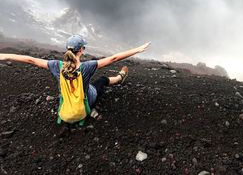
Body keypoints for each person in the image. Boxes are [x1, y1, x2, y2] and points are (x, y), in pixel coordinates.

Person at [0, 35, 150, 124]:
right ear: (82, 50)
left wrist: (5, 56)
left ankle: (116, 80)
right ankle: (119, 78)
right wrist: (137, 49)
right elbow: (114, 58)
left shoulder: (56, 66)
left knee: (71, 90)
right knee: (102, 81)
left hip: (64, 114)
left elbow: (30, 60)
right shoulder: (87, 67)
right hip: (82, 111)